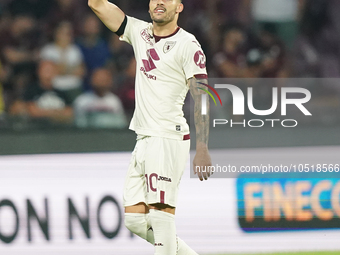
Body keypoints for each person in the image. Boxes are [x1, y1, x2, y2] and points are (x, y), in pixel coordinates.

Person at [88, 0, 212, 254]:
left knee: (160, 216)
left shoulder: (188, 44)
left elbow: (201, 97)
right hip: (144, 138)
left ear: (179, 7)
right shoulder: (139, 32)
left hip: (167, 137)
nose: (159, 2)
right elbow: (97, 4)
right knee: (134, 220)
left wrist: (202, 146)